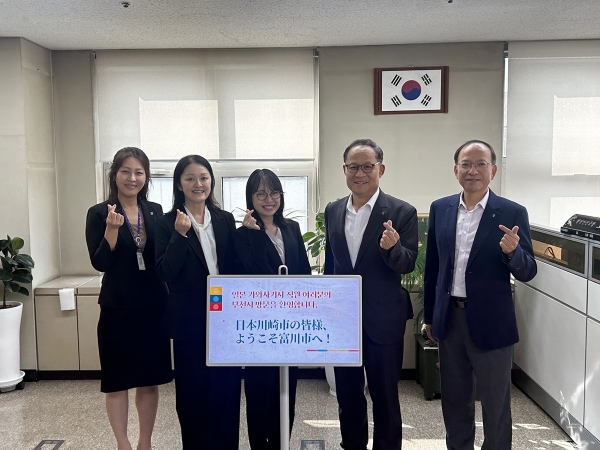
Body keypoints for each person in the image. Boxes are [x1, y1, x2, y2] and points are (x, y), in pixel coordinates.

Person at [423, 139, 537, 450]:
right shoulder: (440, 208)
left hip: (492, 322)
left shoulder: (512, 212)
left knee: (495, 403)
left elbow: (528, 270)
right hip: (450, 320)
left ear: (493, 170)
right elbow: (433, 267)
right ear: (456, 170)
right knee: (454, 399)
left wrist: (513, 253)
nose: (473, 170)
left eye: (481, 164)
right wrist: (431, 315)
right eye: (466, 164)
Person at [324, 138, 418, 450]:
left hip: (383, 319)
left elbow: (407, 264)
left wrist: (393, 249)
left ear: (381, 169)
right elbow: (332, 265)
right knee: (347, 395)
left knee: (385, 396)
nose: (360, 173)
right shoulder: (333, 210)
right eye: (354, 167)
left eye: (368, 166)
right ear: (344, 170)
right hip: (342, 319)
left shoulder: (402, 211)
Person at [85, 147, 172, 450]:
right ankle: (122, 443)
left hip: (153, 306)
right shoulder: (99, 212)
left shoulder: (155, 211)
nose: (132, 178)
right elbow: (100, 263)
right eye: (125, 171)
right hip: (117, 307)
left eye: (138, 172)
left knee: (149, 379)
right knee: (117, 380)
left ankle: (145, 442)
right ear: (115, 175)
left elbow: (161, 256)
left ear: (146, 177)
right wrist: (111, 229)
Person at [154, 154, 241, 450]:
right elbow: (165, 273)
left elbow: (234, 266)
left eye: (203, 177)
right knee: (193, 395)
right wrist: (179, 236)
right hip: (189, 322)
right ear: (179, 184)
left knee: (227, 392)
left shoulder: (225, 219)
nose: (198, 184)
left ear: (211, 181)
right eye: (190, 178)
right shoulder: (166, 223)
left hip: (225, 319)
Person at [233, 169, 312, 450]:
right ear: (251, 198)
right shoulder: (241, 235)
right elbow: (252, 276)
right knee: (259, 392)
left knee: (286, 391)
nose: (269, 199)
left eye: (274, 192)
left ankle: (281, 444)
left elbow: (303, 272)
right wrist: (255, 234)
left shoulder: (292, 228)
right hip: (259, 327)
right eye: (261, 194)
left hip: (289, 325)